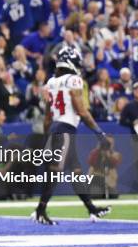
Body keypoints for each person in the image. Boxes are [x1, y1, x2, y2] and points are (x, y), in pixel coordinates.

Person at [32, 47, 112, 225]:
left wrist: (47, 138)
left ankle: (91, 208)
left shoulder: (50, 82)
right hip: (66, 130)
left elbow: (47, 117)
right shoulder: (74, 80)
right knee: (56, 171)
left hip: (55, 129)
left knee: (76, 172)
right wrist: (99, 133)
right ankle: (40, 210)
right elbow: (82, 111)